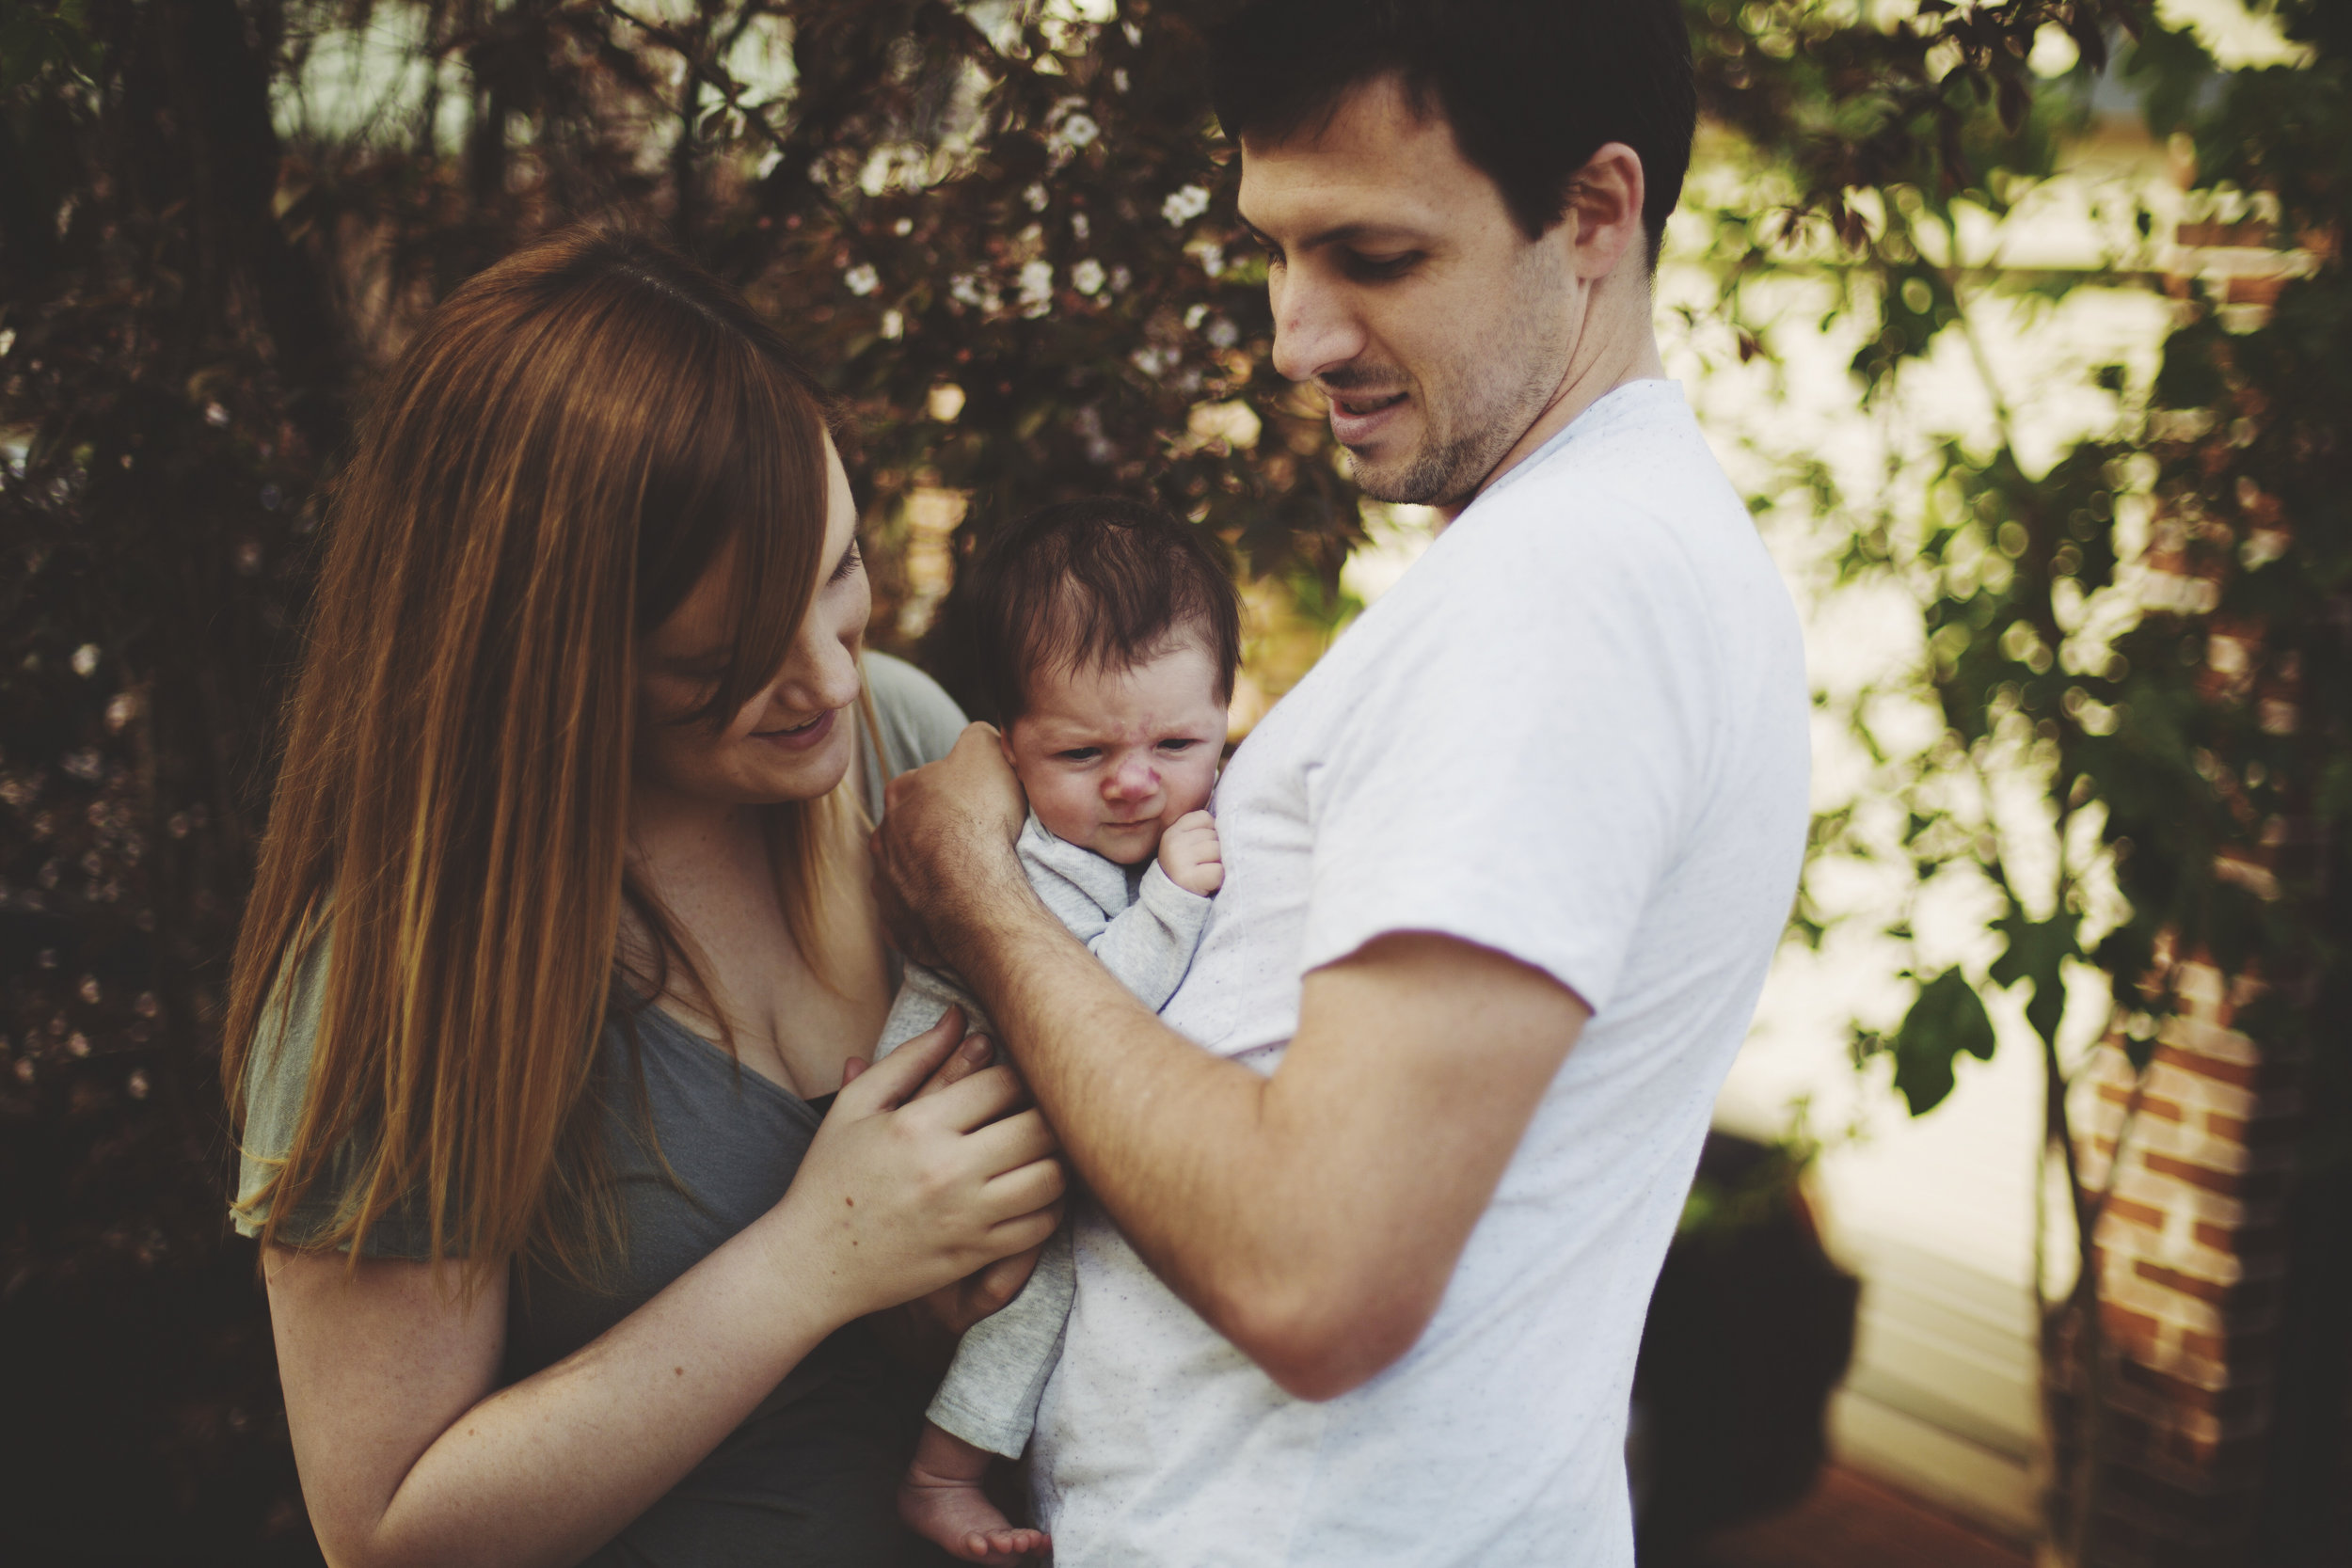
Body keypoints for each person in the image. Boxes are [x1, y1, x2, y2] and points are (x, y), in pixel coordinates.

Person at [869, 2, 1811, 1564]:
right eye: (1278, 248)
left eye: (1373, 259)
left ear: (1594, 213)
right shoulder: (1616, 552)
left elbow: (1317, 1272)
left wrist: (979, 901)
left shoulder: (1563, 593)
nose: (1297, 334)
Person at [223, 225, 1062, 1568]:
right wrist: (812, 1261)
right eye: (724, 659)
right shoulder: (406, 969)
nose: (831, 682)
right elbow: (386, 1534)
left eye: (838, 570)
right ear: (546, 655)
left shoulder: (904, 748)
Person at [874, 501, 1240, 1565]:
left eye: (1177, 743)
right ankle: (939, 1472)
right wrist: (1171, 904)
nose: (1134, 781)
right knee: (1043, 1288)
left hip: (1008, 1126)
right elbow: (1079, 1011)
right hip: (963, 1115)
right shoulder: (1037, 862)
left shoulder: (1129, 825)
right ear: (1005, 749)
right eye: (1081, 751)